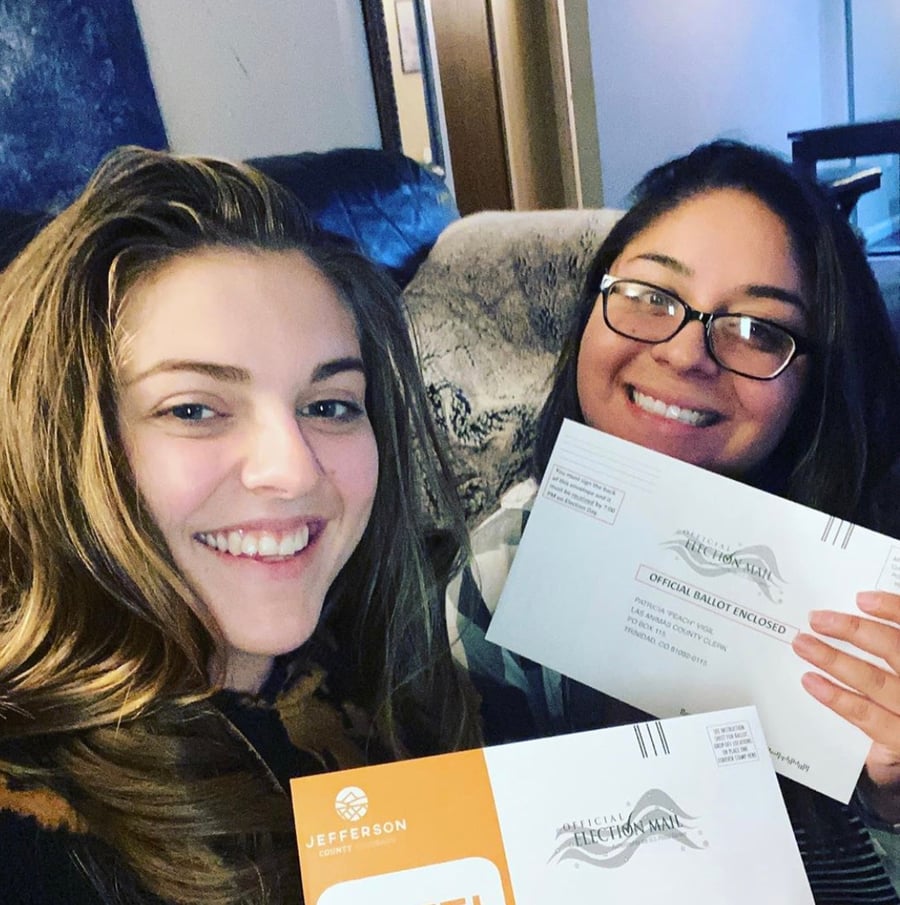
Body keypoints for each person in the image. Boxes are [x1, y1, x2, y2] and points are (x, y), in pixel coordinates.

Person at [0, 146, 480, 904]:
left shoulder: (398, 680)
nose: (291, 469)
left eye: (329, 405)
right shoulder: (30, 836)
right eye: (193, 409)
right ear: (59, 444)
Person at [447, 140, 900, 904]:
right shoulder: (504, 571)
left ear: (816, 385)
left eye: (759, 328)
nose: (690, 352)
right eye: (652, 296)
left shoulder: (878, 587)